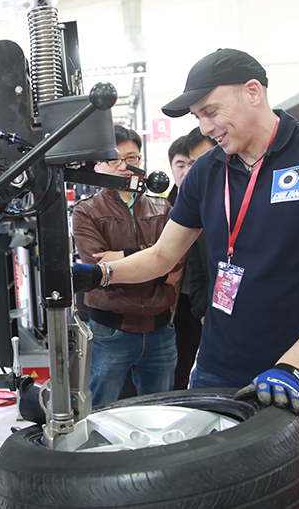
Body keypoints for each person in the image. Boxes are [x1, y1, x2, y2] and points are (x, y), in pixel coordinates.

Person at [74, 49, 299, 509]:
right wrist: (101, 271)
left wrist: (292, 367)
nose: (205, 128)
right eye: (198, 117)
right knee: (219, 496)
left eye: (211, 112)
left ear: (253, 92)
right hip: (216, 374)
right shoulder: (207, 173)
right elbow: (163, 255)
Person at [71, 125, 181, 406]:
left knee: (160, 413)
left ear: (141, 161)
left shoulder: (163, 208)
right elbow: (96, 264)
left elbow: (175, 265)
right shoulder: (87, 210)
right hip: (110, 331)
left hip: (160, 330)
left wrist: (120, 263)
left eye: (131, 158)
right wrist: (155, 260)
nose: (124, 167)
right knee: (100, 412)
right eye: (114, 160)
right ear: (99, 165)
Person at [170, 127, 216, 389]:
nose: (190, 171)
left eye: (196, 163)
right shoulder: (167, 206)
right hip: (183, 301)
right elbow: (162, 256)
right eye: (184, 164)